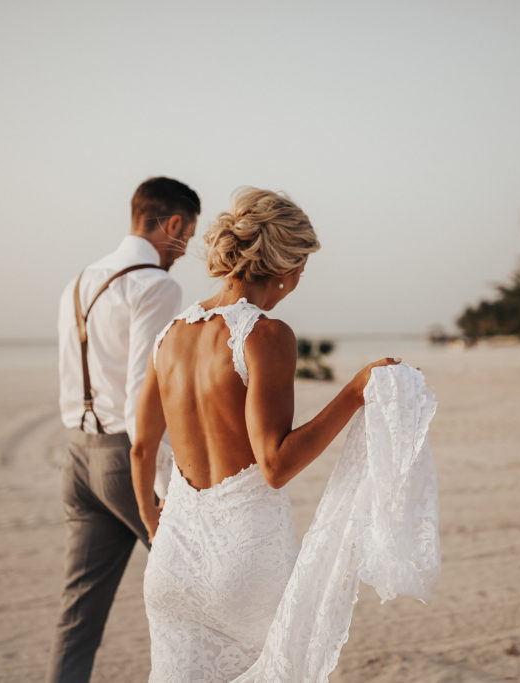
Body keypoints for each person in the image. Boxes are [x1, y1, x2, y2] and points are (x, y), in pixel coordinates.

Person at [130, 187, 399, 681]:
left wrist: (153, 526)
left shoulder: (169, 334)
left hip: (171, 565)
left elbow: (142, 449)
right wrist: (355, 391)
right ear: (285, 267)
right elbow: (274, 466)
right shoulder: (265, 335)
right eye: (301, 268)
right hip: (245, 563)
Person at [46, 177, 201, 683]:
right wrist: (163, 497)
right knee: (205, 596)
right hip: (123, 461)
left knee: (78, 620)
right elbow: (143, 401)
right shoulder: (156, 284)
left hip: (77, 459)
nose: (185, 250)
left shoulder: (77, 283)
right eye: (189, 235)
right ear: (173, 224)